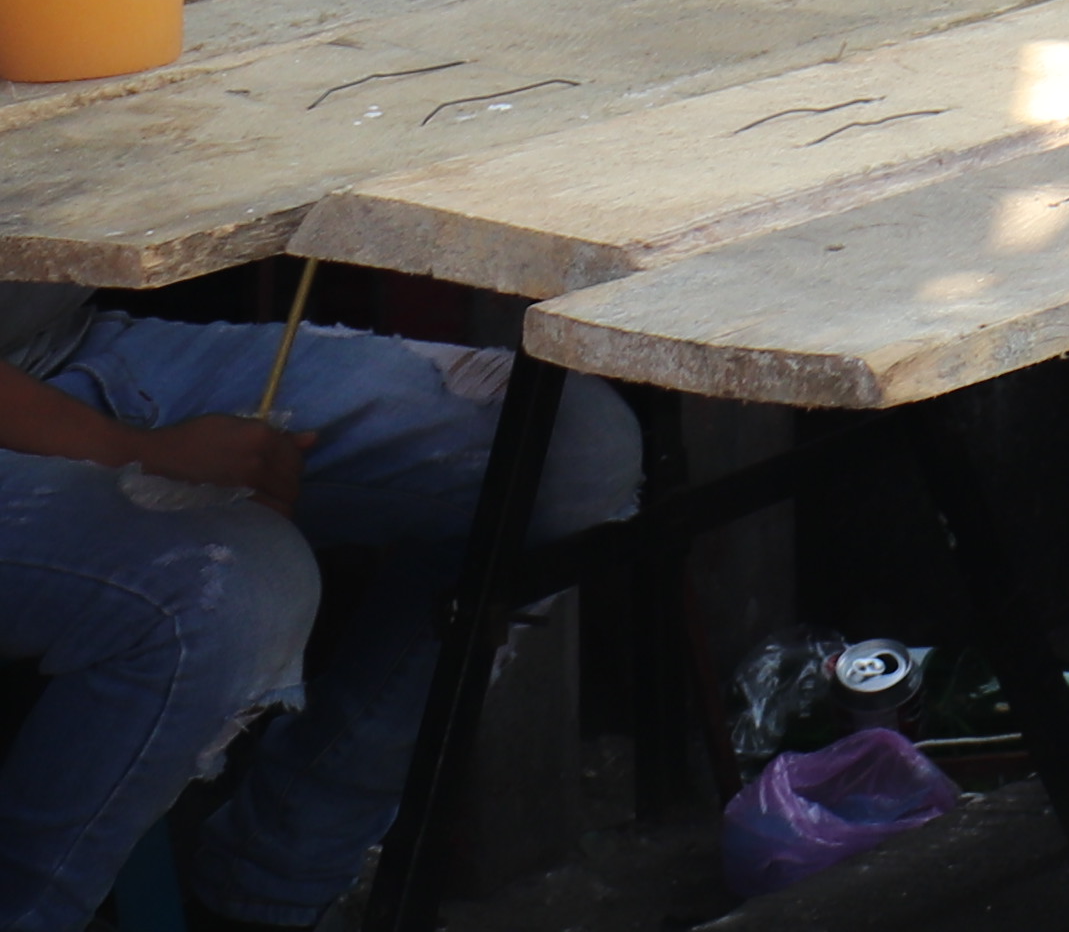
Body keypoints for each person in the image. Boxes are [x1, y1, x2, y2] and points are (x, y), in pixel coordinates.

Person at [0, 285, 639, 932]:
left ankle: (269, 890)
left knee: (568, 450)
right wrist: (138, 451)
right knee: (234, 589)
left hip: (67, 351)